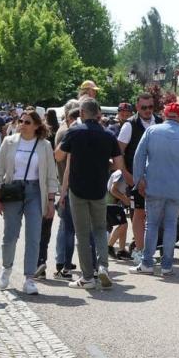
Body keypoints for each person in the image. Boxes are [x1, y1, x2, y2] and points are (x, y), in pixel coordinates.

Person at [59, 98, 124, 289]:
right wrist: (103, 162)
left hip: (78, 188)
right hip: (98, 189)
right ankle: (103, 266)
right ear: (98, 114)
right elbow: (119, 166)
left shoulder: (74, 132)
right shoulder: (108, 135)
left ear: (81, 114)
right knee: (100, 229)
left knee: (82, 233)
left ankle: (87, 277)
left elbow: (59, 155)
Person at [0, 110, 58, 295]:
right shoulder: (9, 141)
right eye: (20, 121)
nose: (22, 124)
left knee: (34, 235)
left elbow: (52, 176)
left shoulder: (44, 145)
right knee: (10, 234)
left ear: (37, 125)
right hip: (13, 190)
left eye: (27, 122)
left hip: (35, 191)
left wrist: (51, 201)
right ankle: (6, 268)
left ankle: (29, 278)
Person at [129, 103, 179, 275]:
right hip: (176, 188)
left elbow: (139, 157)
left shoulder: (152, 131)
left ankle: (147, 263)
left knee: (151, 225)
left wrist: (139, 180)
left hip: (154, 186)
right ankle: (167, 266)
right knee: (170, 225)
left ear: (165, 115)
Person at [118, 93, 163, 264]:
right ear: (137, 107)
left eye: (150, 107)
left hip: (157, 177)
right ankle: (140, 250)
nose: (147, 110)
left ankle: (150, 249)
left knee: (156, 214)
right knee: (139, 212)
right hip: (135, 177)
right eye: (143, 107)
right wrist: (125, 174)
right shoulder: (129, 125)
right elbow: (118, 152)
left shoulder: (160, 122)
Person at [52, 101, 80, 279]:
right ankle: (62, 261)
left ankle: (62, 260)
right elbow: (62, 158)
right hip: (67, 181)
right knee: (66, 227)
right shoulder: (67, 132)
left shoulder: (64, 130)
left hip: (65, 180)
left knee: (65, 226)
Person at [34, 109, 61, 278]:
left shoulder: (46, 144)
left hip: (44, 189)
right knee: (39, 229)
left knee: (43, 227)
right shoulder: (16, 143)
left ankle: (39, 261)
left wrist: (51, 197)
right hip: (32, 190)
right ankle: (38, 261)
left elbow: (52, 171)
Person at [106, 169, 130, 259]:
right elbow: (113, 190)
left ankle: (122, 250)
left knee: (124, 224)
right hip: (110, 204)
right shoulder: (120, 173)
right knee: (123, 225)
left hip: (114, 204)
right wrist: (125, 199)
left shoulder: (122, 173)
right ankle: (109, 247)